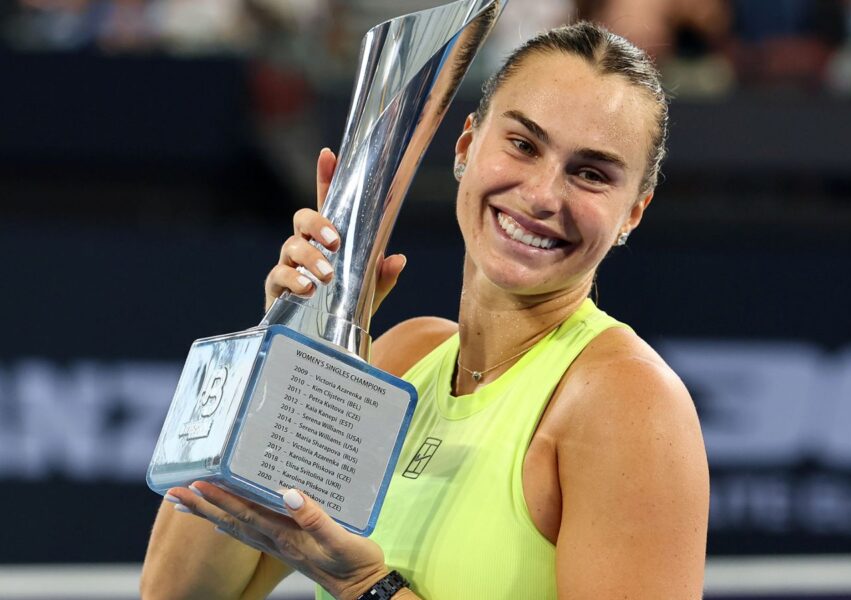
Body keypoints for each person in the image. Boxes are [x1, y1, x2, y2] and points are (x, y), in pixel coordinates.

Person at [141, 22, 709, 600]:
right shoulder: (399, 359)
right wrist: (287, 345)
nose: (542, 196)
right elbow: (176, 593)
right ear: (466, 146)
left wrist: (365, 586)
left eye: (590, 173)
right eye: (523, 144)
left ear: (633, 212)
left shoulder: (628, 403)